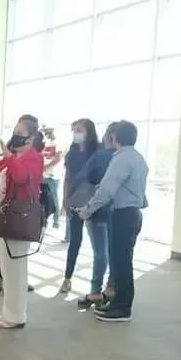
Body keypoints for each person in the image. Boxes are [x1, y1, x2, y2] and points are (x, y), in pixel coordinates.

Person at [76, 121, 148, 322]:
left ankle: (122, 308)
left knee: (120, 263)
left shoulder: (121, 159)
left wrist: (87, 210)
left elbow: (106, 190)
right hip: (134, 213)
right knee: (124, 262)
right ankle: (120, 304)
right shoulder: (139, 158)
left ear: (115, 137)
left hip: (122, 215)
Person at [0, 116, 44, 329]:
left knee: (16, 269)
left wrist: (10, 157)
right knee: (8, 268)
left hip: (19, 218)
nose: (16, 136)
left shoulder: (34, 158)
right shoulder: (16, 155)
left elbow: (20, 177)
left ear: (31, 137)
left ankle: (16, 316)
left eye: (20, 133)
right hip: (6, 217)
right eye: (15, 132)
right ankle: (10, 313)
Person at [72, 122, 119, 309]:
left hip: (97, 210)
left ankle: (95, 291)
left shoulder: (101, 156)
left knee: (100, 252)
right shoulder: (127, 158)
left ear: (109, 137)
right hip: (119, 212)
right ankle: (111, 287)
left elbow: (83, 177)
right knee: (115, 251)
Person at [60, 118, 99, 293]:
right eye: (74, 130)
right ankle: (67, 278)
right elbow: (68, 177)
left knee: (99, 246)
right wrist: (65, 199)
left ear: (89, 132)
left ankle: (97, 285)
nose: (76, 133)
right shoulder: (72, 153)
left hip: (94, 202)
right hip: (75, 200)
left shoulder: (98, 151)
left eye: (80, 130)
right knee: (75, 241)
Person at [41, 127, 61, 228]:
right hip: (44, 175)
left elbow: (57, 159)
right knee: (45, 198)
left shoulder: (58, 143)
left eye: (49, 132)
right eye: (46, 132)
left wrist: (45, 167)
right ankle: (45, 219)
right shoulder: (45, 144)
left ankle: (56, 220)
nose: (47, 134)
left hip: (53, 176)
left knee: (54, 198)